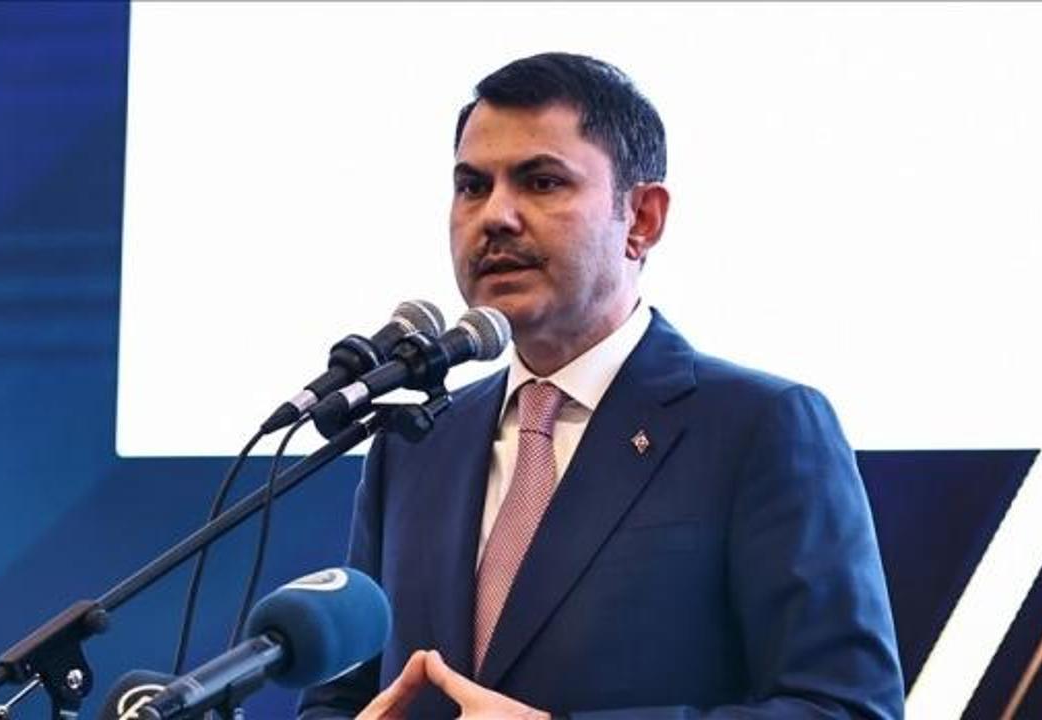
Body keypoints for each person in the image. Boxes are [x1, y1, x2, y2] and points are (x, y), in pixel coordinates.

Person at [300, 52, 904, 719]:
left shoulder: (761, 427)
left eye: (542, 182)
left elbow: (846, 708)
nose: (495, 216)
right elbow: (341, 698)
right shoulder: (415, 443)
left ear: (642, 218)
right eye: (472, 186)